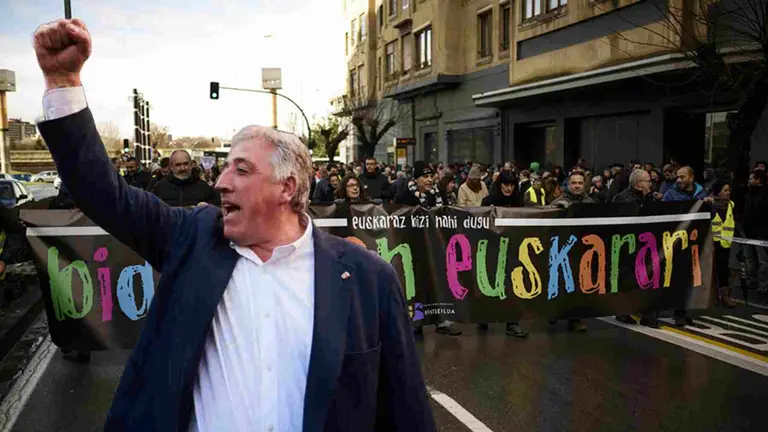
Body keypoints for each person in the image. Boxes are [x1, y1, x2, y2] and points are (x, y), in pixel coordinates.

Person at [33, 19, 436, 431]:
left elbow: (405, 411)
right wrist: (63, 82)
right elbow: (102, 192)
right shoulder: (192, 241)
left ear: (288, 187)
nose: (221, 182)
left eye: (241, 170)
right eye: (225, 169)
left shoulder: (367, 278)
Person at [395, 161, 459, 336]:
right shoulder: (404, 196)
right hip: (413, 248)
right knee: (417, 284)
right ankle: (418, 321)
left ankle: (442, 321)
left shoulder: (436, 195)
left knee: (438, 281)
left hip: (435, 246)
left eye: (431, 176)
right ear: (416, 179)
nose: (429, 180)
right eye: (425, 176)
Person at [478, 170, 528, 338]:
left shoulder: (519, 202)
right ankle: (483, 317)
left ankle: (512, 322)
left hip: (513, 249)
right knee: (491, 283)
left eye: (512, 185)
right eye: (505, 185)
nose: (508, 188)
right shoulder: (489, 201)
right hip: (493, 248)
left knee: (512, 284)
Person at [611, 170, 661, 328]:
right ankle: (623, 312)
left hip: (646, 244)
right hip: (628, 246)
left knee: (650, 278)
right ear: (639, 184)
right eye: (647, 181)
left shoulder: (649, 197)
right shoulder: (622, 199)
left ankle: (648, 316)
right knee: (628, 280)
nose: (650, 184)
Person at [662, 166, 711, 326]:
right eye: (677, 177)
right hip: (676, 242)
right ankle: (676, 312)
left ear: (691, 177)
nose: (678, 180)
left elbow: (711, 216)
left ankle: (682, 311)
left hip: (695, 242)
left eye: (682, 177)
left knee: (689, 277)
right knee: (676, 277)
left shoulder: (702, 193)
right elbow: (663, 214)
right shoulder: (671, 194)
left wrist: (710, 205)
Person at [549, 173, 594, 332]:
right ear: (568, 185)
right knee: (560, 282)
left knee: (578, 285)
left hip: (582, 250)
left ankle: (575, 319)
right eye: (573, 183)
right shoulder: (558, 202)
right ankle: (554, 311)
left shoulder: (590, 203)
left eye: (580, 183)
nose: (577, 185)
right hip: (561, 249)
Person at [149, 150, 219, 207]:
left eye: (186, 164)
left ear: (191, 165)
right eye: (178, 165)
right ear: (171, 167)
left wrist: (209, 208)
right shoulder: (160, 187)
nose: (183, 168)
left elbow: (217, 210)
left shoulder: (204, 187)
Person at [710, 181, 737, 308]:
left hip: (726, 244)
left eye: (728, 190)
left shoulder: (731, 205)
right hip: (712, 245)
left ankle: (725, 297)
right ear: (718, 192)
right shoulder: (711, 206)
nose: (728, 192)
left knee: (724, 270)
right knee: (713, 271)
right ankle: (713, 296)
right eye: (725, 190)